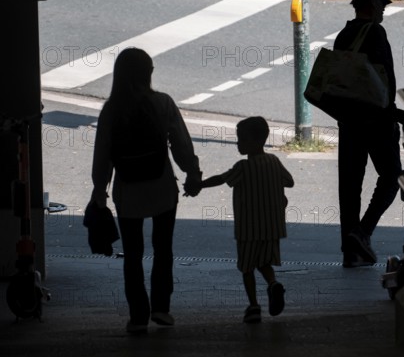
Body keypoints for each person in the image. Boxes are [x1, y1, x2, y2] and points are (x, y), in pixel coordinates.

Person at [90, 48, 203, 334]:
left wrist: (99, 190)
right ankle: (162, 308)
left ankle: (138, 314)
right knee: (163, 249)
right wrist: (192, 172)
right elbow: (180, 143)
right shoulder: (162, 103)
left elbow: (102, 154)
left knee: (133, 253)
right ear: (147, 73)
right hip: (162, 189)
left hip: (128, 192)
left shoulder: (111, 110)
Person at [333, 0, 404, 268]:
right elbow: (385, 80)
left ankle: (350, 253)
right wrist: (393, 117)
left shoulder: (343, 35)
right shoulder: (375, 32)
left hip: (349, 122)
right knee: (392, 176)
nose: (384, 11)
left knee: (349, 186)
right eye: (382, 5)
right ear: (373, 4)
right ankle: (362, 232)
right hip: (375, 121)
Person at [199, 116, 294, 324]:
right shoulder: (274, 161)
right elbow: (290, 182)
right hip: (271, 227)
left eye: (241, 139)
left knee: (247, 267)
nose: (238, 144)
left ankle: (253, 306)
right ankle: (273, 284)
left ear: (252, 142)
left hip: (249, 229)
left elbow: (221, 179)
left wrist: (199, 185)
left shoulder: (242, 167)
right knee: (264, 261)